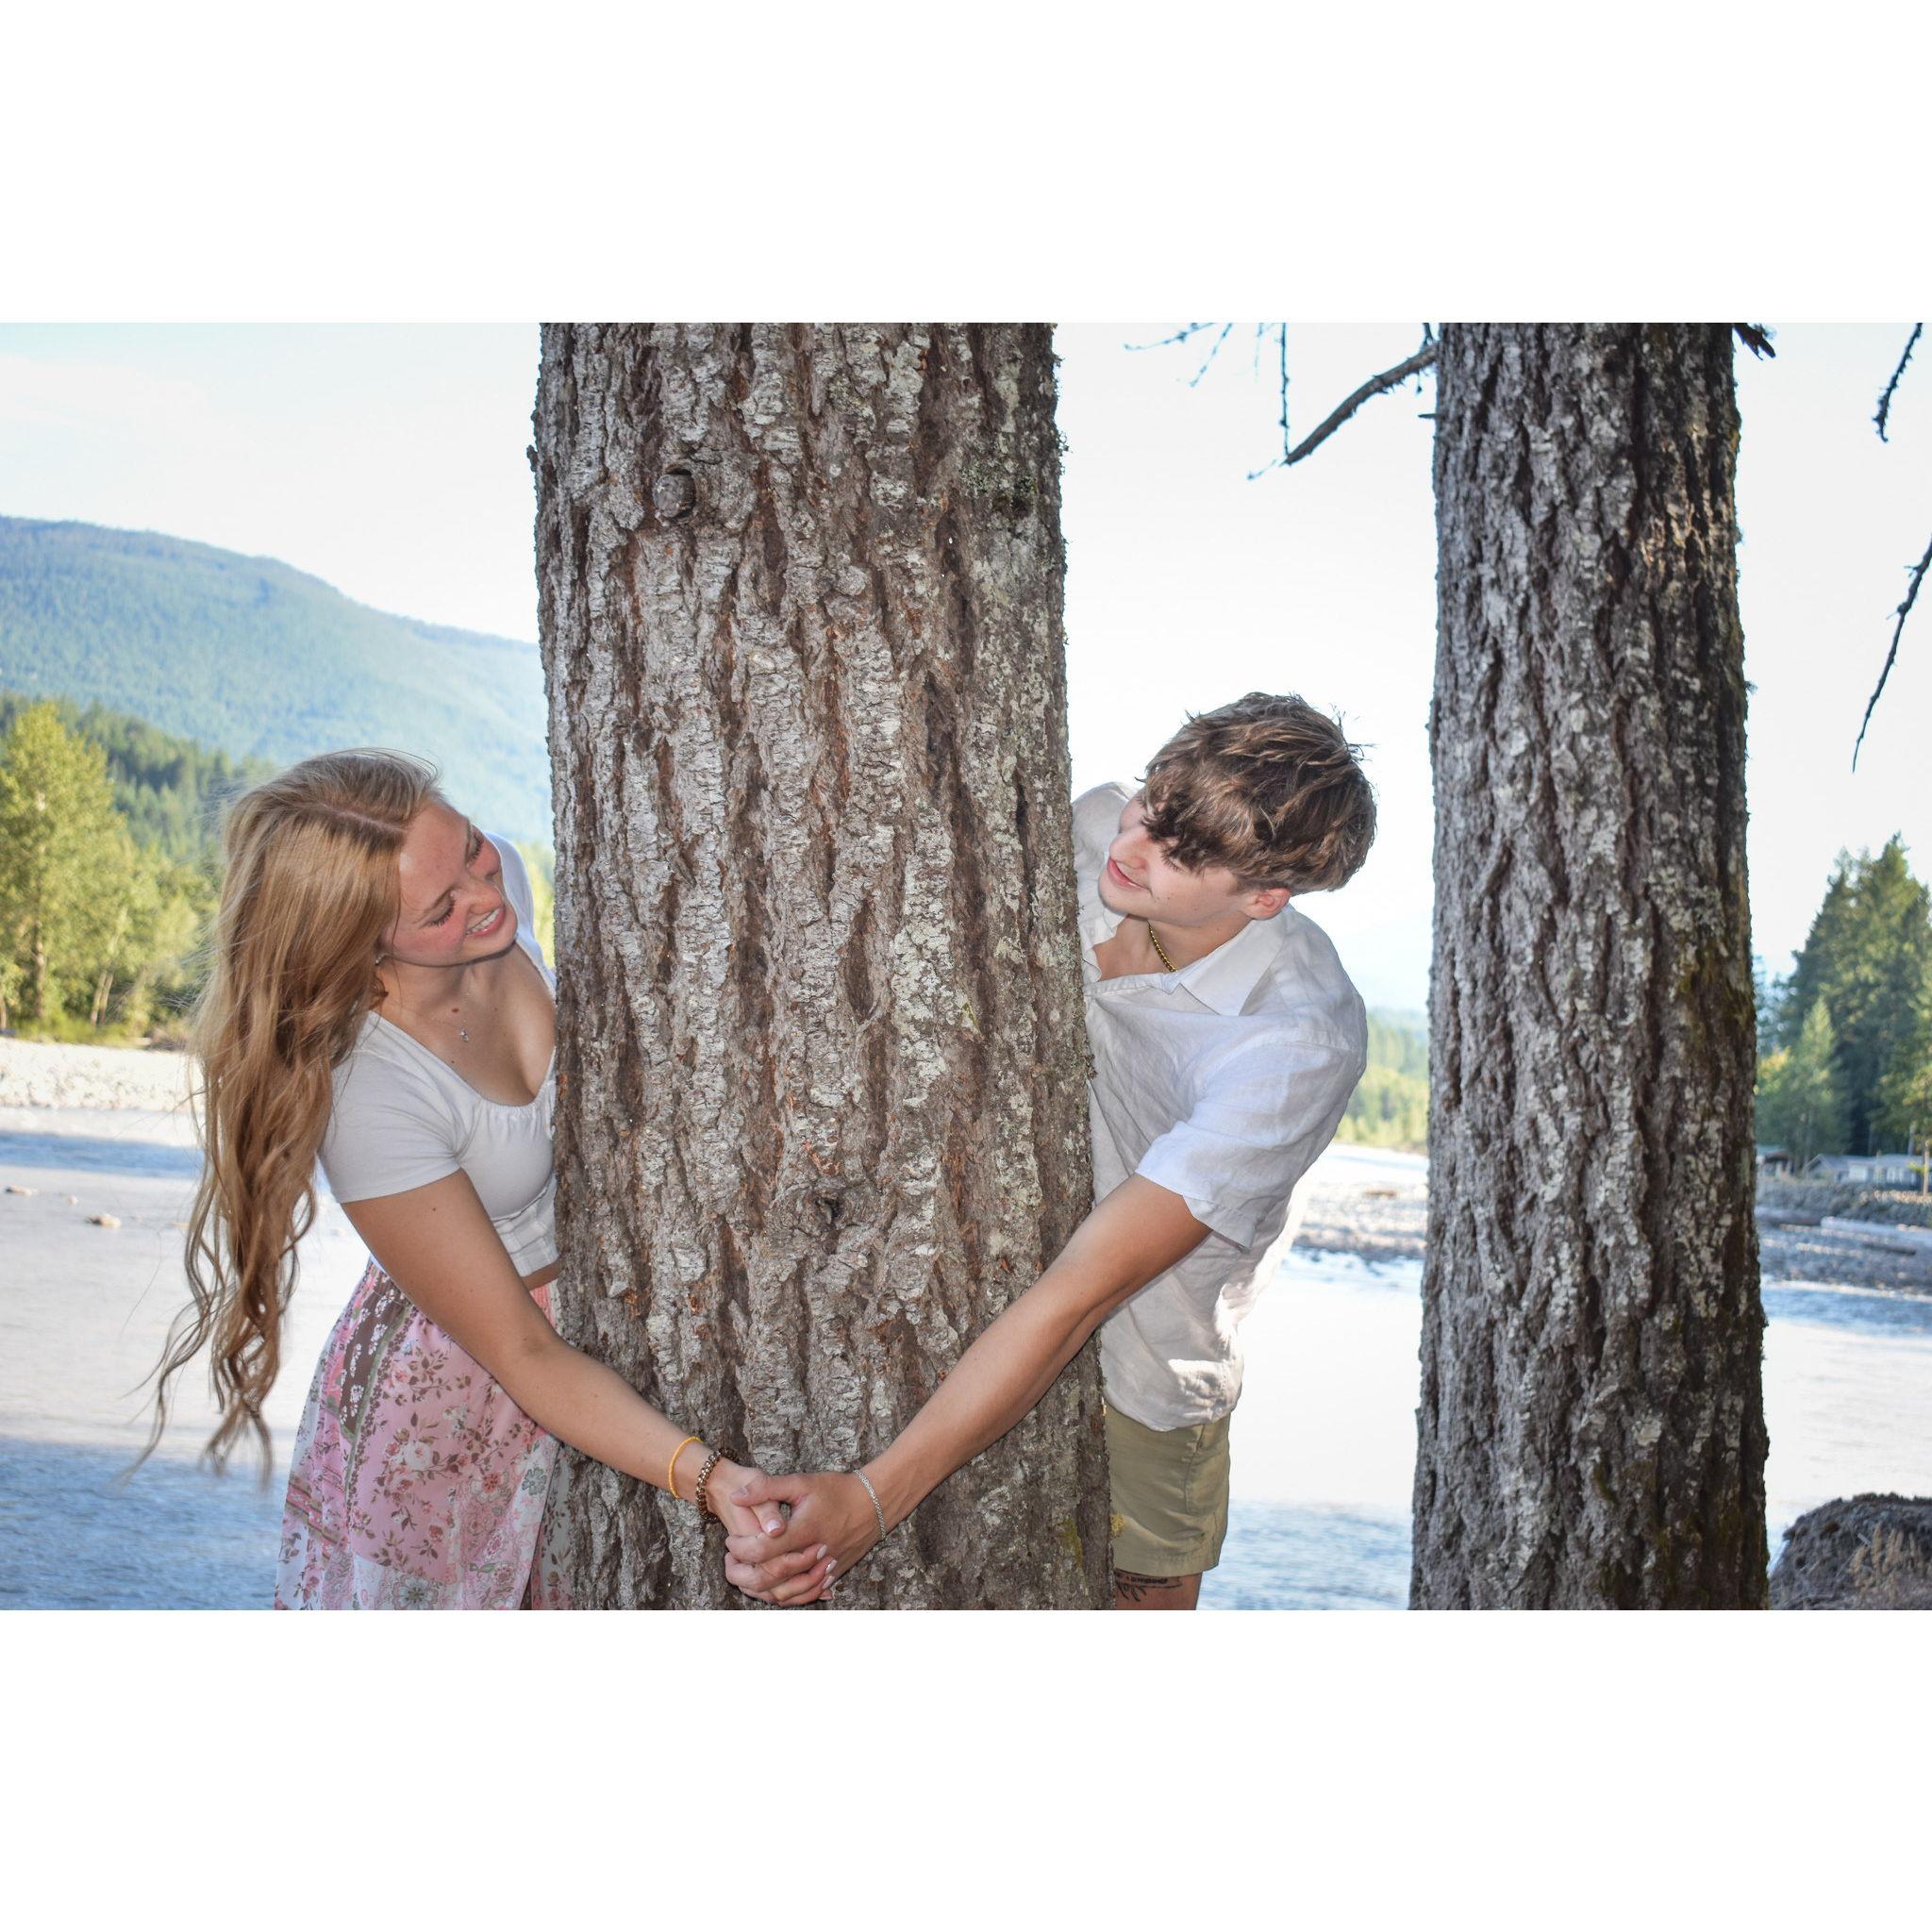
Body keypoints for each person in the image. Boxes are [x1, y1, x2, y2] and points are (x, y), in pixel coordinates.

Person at [723, 692, 1374, 1609]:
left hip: (1151, 1348)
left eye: (1183, 852)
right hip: (977, 1268)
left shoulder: (1293, 1043)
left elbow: (1085, 1292)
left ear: (1264, 897)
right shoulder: (1094, 828)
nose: (1133, 845)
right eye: (1152, 802)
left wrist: (874, 1499)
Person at [147, 749, 831, 1610]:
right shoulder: (369, 1089)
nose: (485, 895)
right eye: (441, 909)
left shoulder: (500, 878)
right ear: (361, 942)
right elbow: (520, 1350)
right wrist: (713, 1480)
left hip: (602, 1347)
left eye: (470, 848)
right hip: (454, 1392)